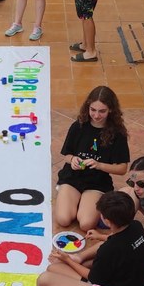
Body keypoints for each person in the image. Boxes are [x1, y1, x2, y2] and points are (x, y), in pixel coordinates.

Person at [39, 191, 144, 286]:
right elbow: (120, 241)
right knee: (103, 249)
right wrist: (100, 236)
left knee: (54, 268)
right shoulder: (136, 225)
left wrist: (68, 260)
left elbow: (93, 278)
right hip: (138, 285)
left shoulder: (109, 249)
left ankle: (75, 262)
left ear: (106, 220)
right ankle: (79, 259)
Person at [55, 86, 130, 231]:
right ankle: (72, 198)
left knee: (86, 224)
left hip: (97, 182)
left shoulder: (118, 134)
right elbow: (66, 155)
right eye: (93, 110)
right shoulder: (78, 126)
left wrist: (99, 165)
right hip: (72, 177)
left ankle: (83, 203)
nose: (96, 115)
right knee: (63, 219)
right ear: (87, 107)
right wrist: (73, 160)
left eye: (102, 111)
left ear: (111, 110)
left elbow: (122, 168)